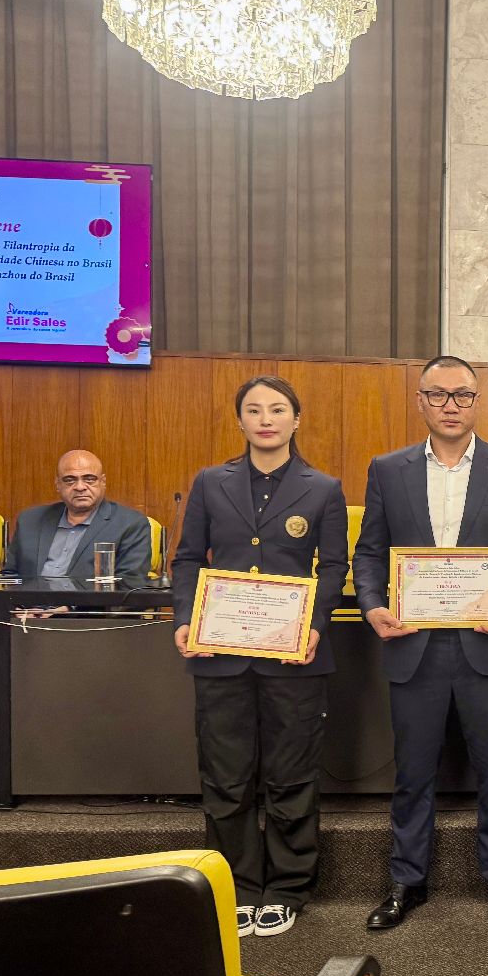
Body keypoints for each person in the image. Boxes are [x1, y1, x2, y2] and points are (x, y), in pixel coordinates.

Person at [354, 356, 488, 933]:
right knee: (412, 773)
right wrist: (372, 605)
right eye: (438, 395)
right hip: (414, 646)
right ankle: (406, 880)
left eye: (462, 395)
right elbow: (368, 552)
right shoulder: (388, 469)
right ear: (421, 401)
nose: (450, 405)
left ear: (477, 401)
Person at [171, 375, 349, 938]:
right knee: (226, 776)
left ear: (296, 419)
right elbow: (187, 559)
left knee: (291, 774)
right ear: (239, 420)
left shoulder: (323, 488)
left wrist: (314, 626)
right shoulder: (210, 481)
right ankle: (239, 887)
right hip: (219, 652)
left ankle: (289, 887)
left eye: (277, 409)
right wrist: (186, 618)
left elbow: (335, 567)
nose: (265, 419)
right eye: (253, 409)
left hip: (293, 657)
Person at [2, 449, 151, 579]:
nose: (80, 487)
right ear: (58, 485)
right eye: (69, 480)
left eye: (89, 479)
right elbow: (10, 577)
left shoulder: (130, 524)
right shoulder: (30, 520)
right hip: (29, 602)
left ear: (103, 482)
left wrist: (71, 603)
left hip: (89, 604)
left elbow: (129, 584)